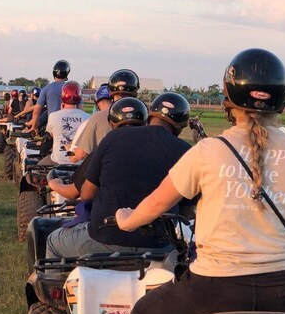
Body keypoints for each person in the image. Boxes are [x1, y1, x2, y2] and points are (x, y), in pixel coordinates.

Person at [116, 49, 285, 314]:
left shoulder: (207, 151)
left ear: (229, 99)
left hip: (214, 291)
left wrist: (126, 220)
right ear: (281, 99)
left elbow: (157, 203)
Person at [45, 95, 191, 259]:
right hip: (160, 246)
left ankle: (57, 284)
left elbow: (86, 195)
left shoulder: (113, 138)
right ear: (180, 125)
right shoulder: (186, 151)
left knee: (52, 242)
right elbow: (188, 210)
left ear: (150, 116)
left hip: (104, 239)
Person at [37, 81, 90, 167]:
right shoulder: (87, 117)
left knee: (38, 167)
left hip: (58, 160)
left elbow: (51, 135)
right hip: (80, 162)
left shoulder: (53, 116)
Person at [26, 60, 70, 132]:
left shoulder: (46, 88)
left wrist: (34, 127)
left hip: (53, 125)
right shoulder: (71, 88)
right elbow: (80, 109)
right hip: (69, 125)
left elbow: (36, 111)